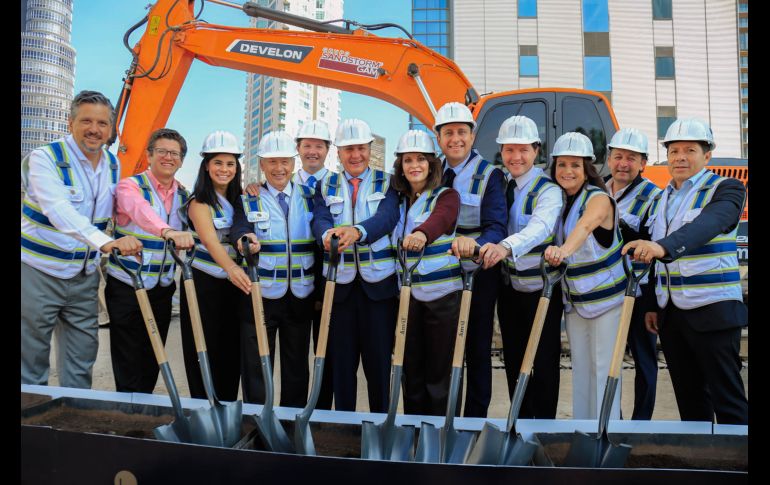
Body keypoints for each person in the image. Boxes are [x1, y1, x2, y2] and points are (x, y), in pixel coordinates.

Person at [623, 118, 748, 424]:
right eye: (674, 150)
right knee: (690, 403)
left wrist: (661, 247)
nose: (680, 157)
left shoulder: (726, 189)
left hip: (714, 310)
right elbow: (650, 245)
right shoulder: (662, 197)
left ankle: (739, 466)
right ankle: (701, 465)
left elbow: (705, 227)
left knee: (728, 399)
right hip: (671, 316)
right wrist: (652, 304)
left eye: (689, 150)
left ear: (707, 155)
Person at [21, 90, 142, 388]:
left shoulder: (113, 165)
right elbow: (58, 210)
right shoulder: (45, 158)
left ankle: (72, 423)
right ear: (70, 122)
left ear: (111, 129)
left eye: (102, 123)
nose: (94, 129)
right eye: (86, 120)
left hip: (84, 278)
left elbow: (127, 205)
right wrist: (104, 242)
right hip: (39, 273)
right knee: (31, 359)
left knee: (82, 358)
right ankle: (30, 427)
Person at [478, 116, 564, 419]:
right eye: (509, 150)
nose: (515, 157)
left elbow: (540, 228)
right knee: (514, 362)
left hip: (541, 292)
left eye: (523, 150)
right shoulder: (501, 184)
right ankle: (519, 426)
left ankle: (542, 432)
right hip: (510, 291)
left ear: (536, 150)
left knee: (542, 366)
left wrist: (505, 247)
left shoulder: (548, 190)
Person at [312, 118, 401, 413]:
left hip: (379, 289)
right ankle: (344, 427)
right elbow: (320, 218)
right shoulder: (326, 184)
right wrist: (326, 234)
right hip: (339, 290)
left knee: (378, 367)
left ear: (369, 149)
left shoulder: (387, 182)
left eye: (361, 148)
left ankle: (380, 428)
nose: (355, 155)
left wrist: (357, 231)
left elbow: (387, 218)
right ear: (338, 152)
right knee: (342, 366)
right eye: (348, 149)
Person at [543, 132, 626, 420]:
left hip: (607, 300)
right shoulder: (559, 201)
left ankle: (607, 434)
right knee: (581, 369)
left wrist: (563, 251)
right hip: (576, 302)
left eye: (575, 165)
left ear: (587, 168)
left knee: (604, 368)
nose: (567, 171)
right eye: (562, 164)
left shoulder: (599, 198)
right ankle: (581, 432)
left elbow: (587, 225)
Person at [105, 128, 194, 393]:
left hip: (162, 288)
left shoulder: (183, 195)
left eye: (174, 154)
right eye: (162, 152)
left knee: (154, 353)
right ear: (149, 155)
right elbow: (141, 212)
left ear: (181, 160)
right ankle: (127, 413)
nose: (168, 157)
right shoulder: (129, 186)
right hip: (127, 284)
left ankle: (145, 408)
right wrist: (167, 231)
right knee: (127, 354)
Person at [232, 131, 316, 407]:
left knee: (296, 365)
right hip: (260, 294)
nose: (279, 169)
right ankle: (259, 420)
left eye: (285, 162)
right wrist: (245, 238)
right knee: (256, 365)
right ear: (262, 165)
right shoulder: (249, 198)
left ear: (294, 164)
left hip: (300, 295)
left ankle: (292, 423)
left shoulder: (311, 196)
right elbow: (240, 226)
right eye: (272, 162)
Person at [435, 102, 507, 418]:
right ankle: (444, 417)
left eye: (462, 132)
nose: (455, 139)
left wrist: (474, 246)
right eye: (448, 132)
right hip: (438, 273)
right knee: (444, 350)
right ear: (438, 137)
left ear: (472, 135)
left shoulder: (490, 175)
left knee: (476, 349)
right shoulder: (430, 171)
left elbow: (497, 226)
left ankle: (473, 421)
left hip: (478, 273)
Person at [389, 130, 462, 416]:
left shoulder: (446, 195)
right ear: (401, 166)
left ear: (432, 164)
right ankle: (414, 430)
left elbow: (441, 218)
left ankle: (440, 434)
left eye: (421, 159)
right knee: (412, 370)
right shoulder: (398, 199)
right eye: (408, 160)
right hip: (408, 297)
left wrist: (422, 233)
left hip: (442, 297)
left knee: (438, 371)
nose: (414, 165)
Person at [180, 130, 251, 402]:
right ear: (206, 166)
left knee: (230, 350)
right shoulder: (199, 203)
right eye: (218, 163)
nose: (224, 169)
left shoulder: (239, 200)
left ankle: (228, 406)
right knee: (203, 348)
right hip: (204, 284)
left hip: (233, 287)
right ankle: (204, 405)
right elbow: (210, 241)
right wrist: (233, 270)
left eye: (230, 163)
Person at [604, 128, 662, 420]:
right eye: (618, 156)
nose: (623, 163)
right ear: (609, 159)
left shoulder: (655, 196)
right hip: (605, 292)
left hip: (639, 294)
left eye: (631, 158)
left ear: (643, 163)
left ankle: (640, 424)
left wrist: (652, 303)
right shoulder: (598, 190)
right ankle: (611, 419)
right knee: (607, 361)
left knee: (644, 360)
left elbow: (656, 250)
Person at [294, 120, 335, 410]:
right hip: (293, 279)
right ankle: (294, 409)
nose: (312, 151)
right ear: (298, 149)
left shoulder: (337, 184)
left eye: (318, 145)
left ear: (327, 150)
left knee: (326, 351)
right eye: (307, 145)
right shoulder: (281, 182)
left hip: (328, 276)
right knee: (295, 353)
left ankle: (321, 409)